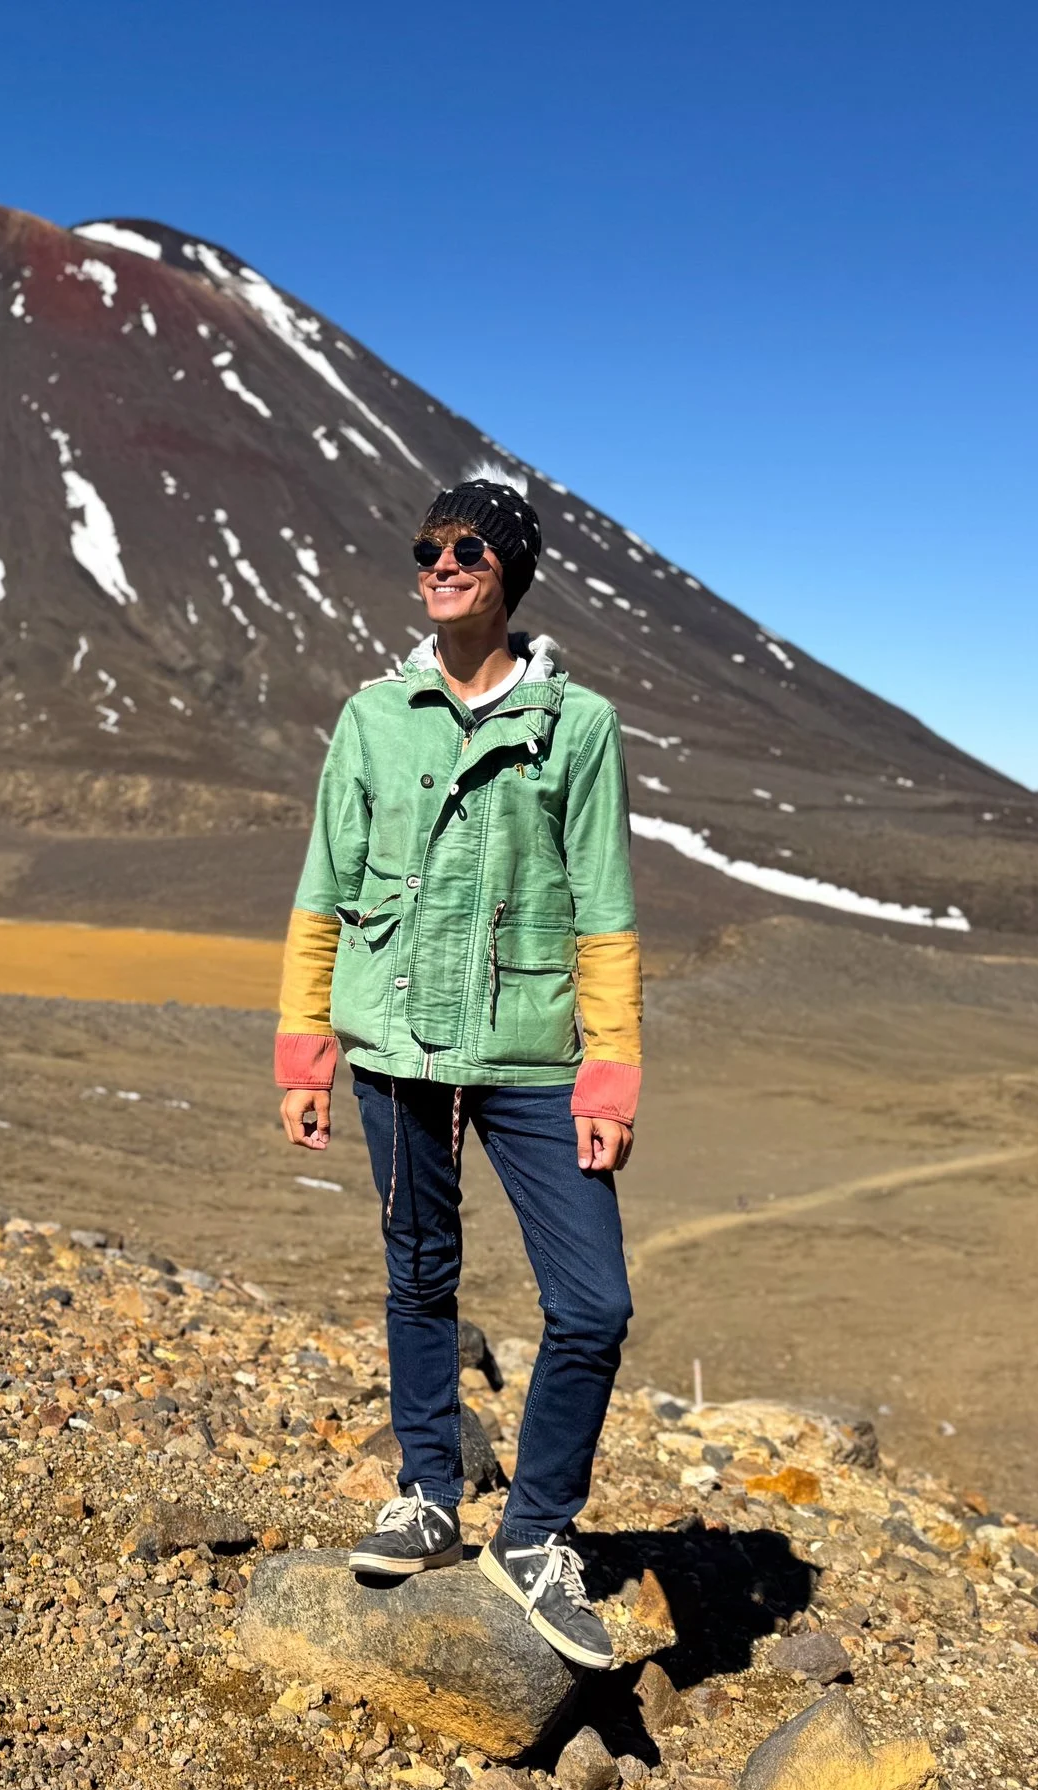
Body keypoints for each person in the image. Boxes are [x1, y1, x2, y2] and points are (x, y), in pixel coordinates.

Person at [274, 479, 641, 1668]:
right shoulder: (373, 718)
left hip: (534, 1055)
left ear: (510, 571)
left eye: (467, 547)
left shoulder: (577, 727)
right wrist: (304, 1054)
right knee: (419, 1277)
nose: (441, 562)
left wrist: (610, 1077)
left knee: (593, 1304)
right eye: (428, 547)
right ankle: (427, 1491)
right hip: (396, 1051)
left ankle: (533, 1535)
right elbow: (322, 891)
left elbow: (604, 912)